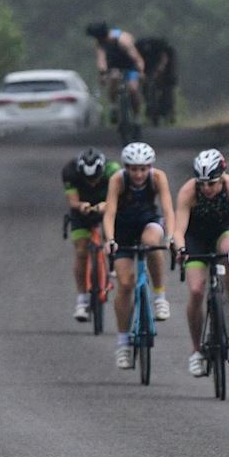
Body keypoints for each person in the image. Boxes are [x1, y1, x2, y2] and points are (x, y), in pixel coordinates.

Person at [170, 149, 229, 376]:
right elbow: (178, 229)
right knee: (196, 290)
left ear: (222, 176)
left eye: (212, 183)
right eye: (202, 183)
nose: (207, 188)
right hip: (195, 239)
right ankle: (196, 351)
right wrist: (180, 247)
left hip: (222, 232)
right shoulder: (188, 191)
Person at [102, 141, 176, 369]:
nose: (138, 174)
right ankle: (123, 343)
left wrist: (171, 237)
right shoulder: (117, 180)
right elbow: (109, 213)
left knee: (151, 243)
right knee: (125, 284)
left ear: (150, 167)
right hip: (123, 230)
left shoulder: (157, 178)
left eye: (143, 168)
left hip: (149, 222)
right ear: (126, 168)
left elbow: (167, 210)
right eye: (133, 169)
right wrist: (110, 240)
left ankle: (159, 296)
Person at [62, 147, 119, 321]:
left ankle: (113, 263)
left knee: (112, 236)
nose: (92, 183)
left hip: (108, 206)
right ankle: (82, 299)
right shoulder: (69, 171)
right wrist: (81, 206)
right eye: (88, 180)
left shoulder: (114, 171)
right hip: (82, 210)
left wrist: (106, 204)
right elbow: (72, 201)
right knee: (81, 251)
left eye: (96, 179)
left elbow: (120, 195)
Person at [86, 22, 145, 119]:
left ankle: (137, 115)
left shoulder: (123, 40)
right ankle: (114, 106)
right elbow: (101, 59)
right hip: (114, 63)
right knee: (114, 78)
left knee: (133, 89)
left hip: (130, 63)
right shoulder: (100, 43)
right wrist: (102, 74)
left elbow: (137, 59)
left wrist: (141, 72)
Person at [135, 36, 177, 124]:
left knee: (168, 88)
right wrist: (141, 74)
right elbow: (137, 62)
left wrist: (160, 70)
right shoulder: (139, 48)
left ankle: (170, 112)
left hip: (166, 68)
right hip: (148, 66)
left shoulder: (165, 50)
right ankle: (150, 110)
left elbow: (164, 60)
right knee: (146, 87)